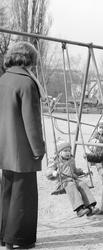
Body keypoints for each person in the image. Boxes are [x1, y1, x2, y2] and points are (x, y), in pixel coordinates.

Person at [0, 42, 46, 249]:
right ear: (30, 59)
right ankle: (18, 239)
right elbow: (32, 122)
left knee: (7, 193)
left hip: (4, 148)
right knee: (23, 195)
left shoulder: (3, 79)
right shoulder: (27, 84)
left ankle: (4, 236)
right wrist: (39, 149)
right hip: (23, 149)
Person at [46, 139, 99, 217]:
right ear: (59, 152)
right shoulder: (55, 160)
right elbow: (48, 172)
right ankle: (79, 209)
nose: (68, 153)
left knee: (82, 184)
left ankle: (90, 207)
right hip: (62, 182)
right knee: (71, 185)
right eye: (65, 151)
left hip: (73, 179)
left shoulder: (71, 159)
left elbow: (75, 171)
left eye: (69, 150)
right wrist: (53, 173)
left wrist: (83, 171)